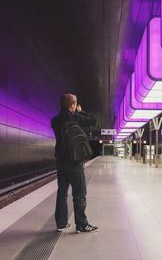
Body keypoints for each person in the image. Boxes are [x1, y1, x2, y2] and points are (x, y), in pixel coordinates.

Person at [51, 93, 98, 233]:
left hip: (61, 162)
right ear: (72, 105)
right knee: (79, 193)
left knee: (62, 193)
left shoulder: (55, 120)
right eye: (75, 104)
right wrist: (80, 111)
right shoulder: (75, 117)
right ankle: (82, 224)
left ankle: (61, 223)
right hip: (74, 162)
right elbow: (93, 120)